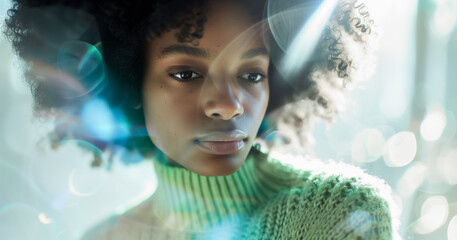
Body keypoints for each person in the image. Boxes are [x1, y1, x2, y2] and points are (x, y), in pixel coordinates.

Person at [4, 0, 399, 239]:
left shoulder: (340, 212)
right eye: (186, 74)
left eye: (251, 75)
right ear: (128, 79)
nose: (228, 106)